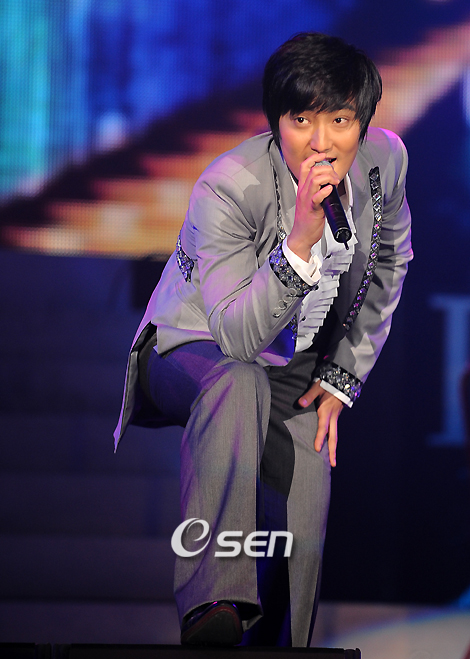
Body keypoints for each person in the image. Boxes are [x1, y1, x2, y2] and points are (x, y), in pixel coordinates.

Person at [114, 32, 413, 647]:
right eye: (301, 120)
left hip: (293, 361)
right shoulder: (228, 186)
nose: (321, 142)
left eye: (340, 120)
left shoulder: (386, 161)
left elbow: (390, 262)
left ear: (362, 122)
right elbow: (237, 338)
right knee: (238, 378)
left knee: (305, 498)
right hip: (191, 344)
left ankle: (282, 643)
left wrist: (342, 377)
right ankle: (212, 603)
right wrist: (299, 242)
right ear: (277, 122)